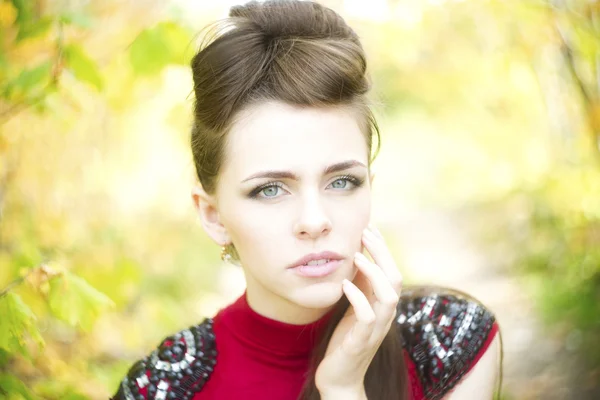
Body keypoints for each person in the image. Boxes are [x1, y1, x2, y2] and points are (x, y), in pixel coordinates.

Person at [111, 1, 501, 399]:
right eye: (270, 189)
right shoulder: (162, 388)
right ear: (213, 216)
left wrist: (342, 388)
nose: (315, 221)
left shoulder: (447, 338)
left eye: (342, 182)